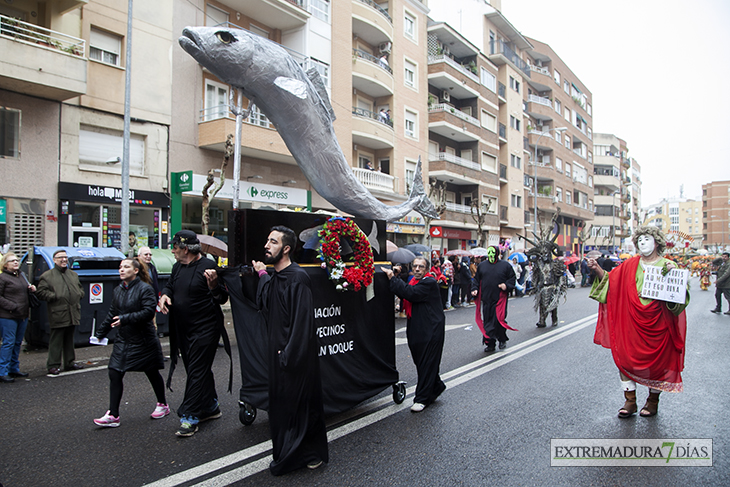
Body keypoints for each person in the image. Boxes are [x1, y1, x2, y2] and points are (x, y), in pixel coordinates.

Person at [588, 226, 689, 418]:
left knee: (658, 364)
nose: (643, 243)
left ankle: (652, 401)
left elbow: (679, 297)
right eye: (639, 240)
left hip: (659, 323)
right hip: (631, 323)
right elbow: (611, 282)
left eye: (647, 239)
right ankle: (630, 401)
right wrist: (598, 269)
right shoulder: (629, 265)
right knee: (625, 359)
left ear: (657, 242)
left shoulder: (668, 265)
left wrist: (674, 275)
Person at [253, 226, 328, 475]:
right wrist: (262, 274)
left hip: (295, 358)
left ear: (286, 249)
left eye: (272, 242)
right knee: (283, 408)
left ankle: (309, 454)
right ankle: (287, 452)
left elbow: (303, 323)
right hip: (279, 356)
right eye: (267, 240)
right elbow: (265, 300)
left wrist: (288, 355)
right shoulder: (276, 277)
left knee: (301, 408)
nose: (266, 245)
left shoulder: (298, 278)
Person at [159, 230, 229, 437]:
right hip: (184, 328)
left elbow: (222, 298)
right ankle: (210, 406)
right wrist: (164, 295)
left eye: (175, 247)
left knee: (197, 370)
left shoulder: (209, 267)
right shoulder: (177, 267)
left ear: (186, 249)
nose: (172, 250)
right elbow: (170, 286)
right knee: (196, 369)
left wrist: (214, 285)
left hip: (205, 328)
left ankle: (189, 415)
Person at [93, 259, 169, 427]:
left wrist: (124, 319)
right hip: (124, 339)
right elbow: (113, 312)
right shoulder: (118, 290)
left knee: (151, 372)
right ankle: (113, 414)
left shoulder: (145, 289)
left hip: (143, 339)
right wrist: (101, 333)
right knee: (114, 372)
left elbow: (148, 312)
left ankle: (162, 404)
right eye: (120, 267)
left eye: (126, 267)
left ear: (135, 271)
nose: (121, 270)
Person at [383, 257, 446, 412]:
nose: (417, 269)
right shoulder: (414, 281)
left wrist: (392, 277)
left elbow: (410, 293)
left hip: (430, 330)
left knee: (426, 362)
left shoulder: (429, 282)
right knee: (422, 362)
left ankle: (422, 398)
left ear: (427, 269)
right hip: (417, 327)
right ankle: (436, 386)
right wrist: (397, 276)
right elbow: (406, 289)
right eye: (415, 266)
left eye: (421, 267)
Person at [35, 249, 84, 376]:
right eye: (60, 257)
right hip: (58, 311)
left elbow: (80, 288)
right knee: (56, 339)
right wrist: (54, 296)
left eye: (65, 257)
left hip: (73, 311)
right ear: (54, 260)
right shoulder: (47, 276)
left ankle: (69, 362)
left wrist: (79, 294)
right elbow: (40, 292)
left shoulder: (73, 274)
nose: (63, 260)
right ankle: (53, 364)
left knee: (69, 338)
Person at [471, 246, 516, 351]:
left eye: (493, 253)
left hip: (500, 299)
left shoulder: (505, 265)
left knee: (499, 320)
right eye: (489, 253)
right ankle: (490, 343)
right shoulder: (482, 266)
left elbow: (512, 278)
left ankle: (502, 339)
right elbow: (476, 280)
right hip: (487, 299)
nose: (491, 255)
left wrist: (506, 285)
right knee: (488, 321)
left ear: (497, 253)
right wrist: (475, 289)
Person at [0, 252, 35, 383]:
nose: (16, 262)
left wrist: (31, 289)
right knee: (8, 343)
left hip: (22, 315)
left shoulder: (21, 275)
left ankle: (13, 368)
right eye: (12, 261)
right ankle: (2, 371)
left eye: (16, 260)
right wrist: (12, 306)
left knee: (17, 343)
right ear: (5, 264)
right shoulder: (2, 278)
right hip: (8, 316)